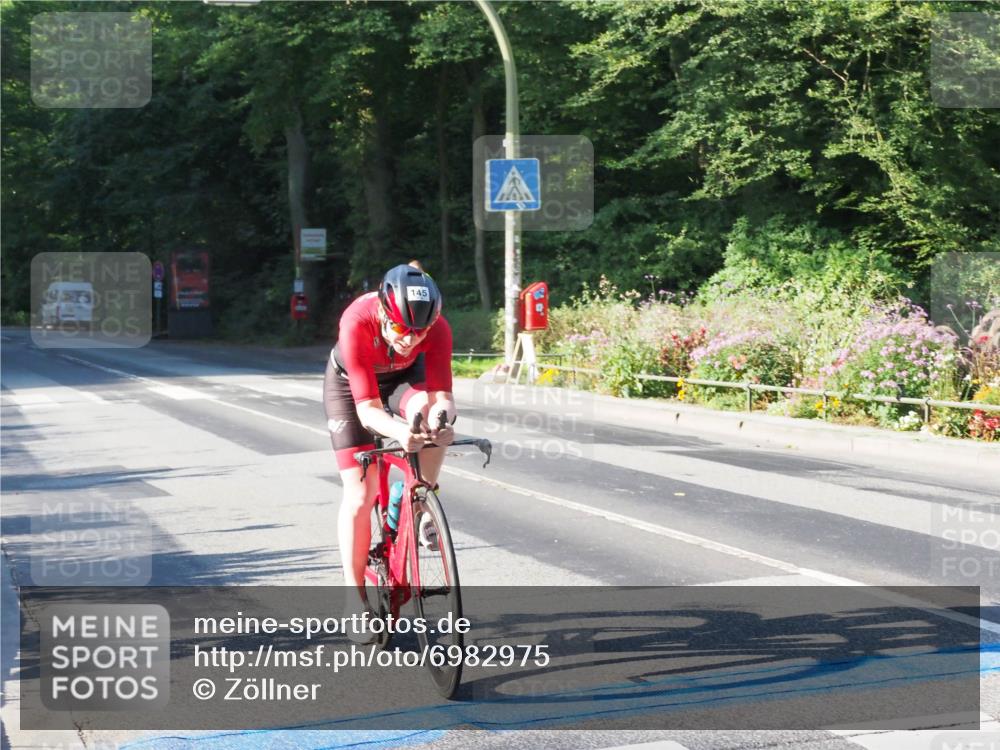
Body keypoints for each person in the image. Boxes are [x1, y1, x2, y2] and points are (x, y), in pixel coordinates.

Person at [323, 262, 455, 642]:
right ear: (382, 311)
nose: (410, 340)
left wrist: (441, 422)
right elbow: (368, 410)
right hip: (352, 388)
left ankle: (420, 499)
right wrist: (399, 431)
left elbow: (443, 396)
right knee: (361, 493)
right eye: (400, 328)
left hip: (402, 378)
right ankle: (354, 598)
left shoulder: (437, 328)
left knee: (429, 419)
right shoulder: (356, 322)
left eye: (420, 331)